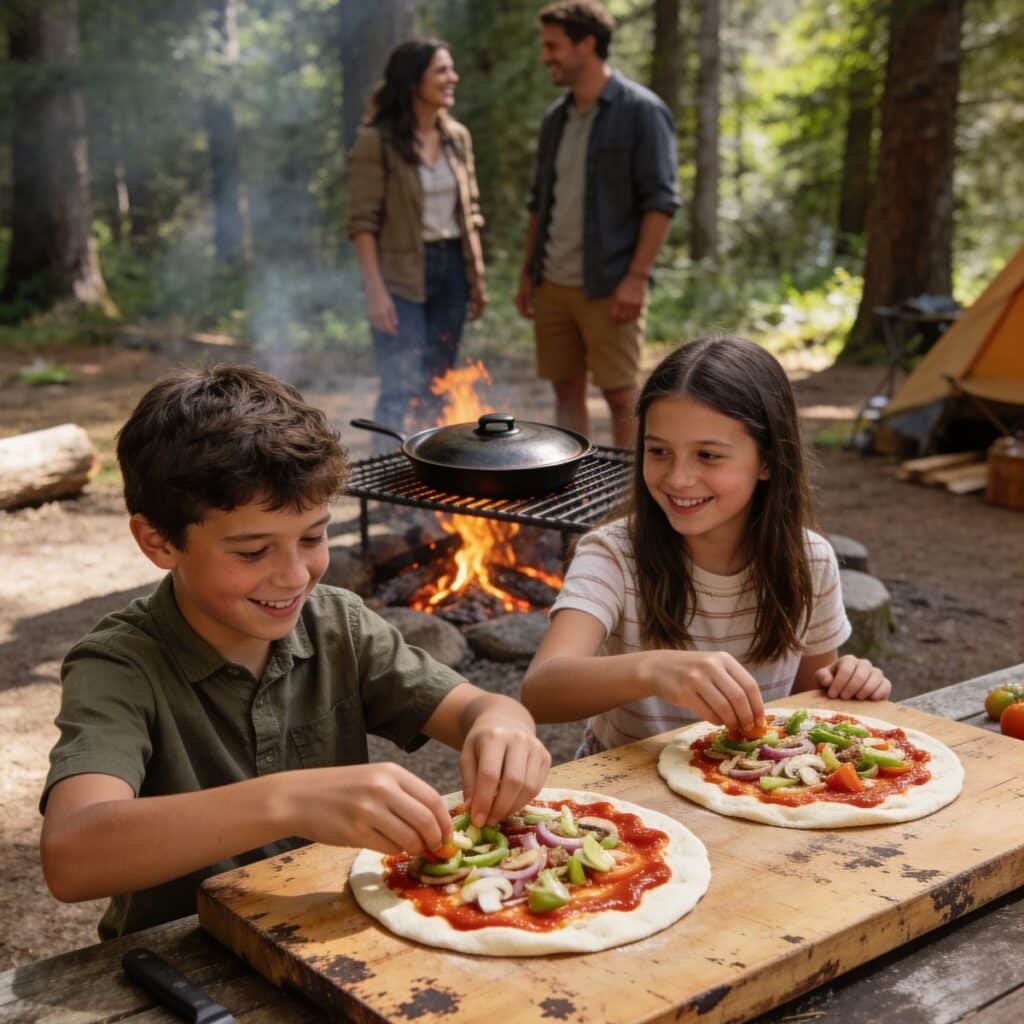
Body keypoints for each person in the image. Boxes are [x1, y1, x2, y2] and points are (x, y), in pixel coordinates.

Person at [39, 365, 550, 939]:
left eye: (312, 537)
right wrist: (285, 802)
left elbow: (480, 709)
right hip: (187, 957)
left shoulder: (337, 623)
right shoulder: (120, 665)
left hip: (337, 932)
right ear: (158, 541)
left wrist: (503, 727)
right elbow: (72, 854)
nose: (293, 575)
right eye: (254, 551)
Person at [521, 336, 891, 756]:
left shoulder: (810, 560)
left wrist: (847, 680)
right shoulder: (612, 554)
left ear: (768, 460)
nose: (678, 478)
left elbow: (810, 706)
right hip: (627, 790)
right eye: (659, 451)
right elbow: (540, 689)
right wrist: (652, 670)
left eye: (709, 456)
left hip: (751, 781)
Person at [515, 1, 679, 448]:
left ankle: (630, 507)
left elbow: (661, 202)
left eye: (553, 46)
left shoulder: (641, 111)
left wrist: (637, 278)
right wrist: (528, 274)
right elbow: (539, 203)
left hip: (610, 283)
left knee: (622, 395)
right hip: (552, 284)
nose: (545, 56)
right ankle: (574, 500)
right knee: (565, 390)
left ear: (587, 44)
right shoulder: (556, 119)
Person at [347, 38, 487, 439]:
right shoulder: (377, 142)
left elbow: (470, 215)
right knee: (399, 385)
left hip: (452, 273)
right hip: (401, 275)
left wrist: (476, 277)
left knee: (439, 382)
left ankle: (431, 490)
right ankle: (387, 494)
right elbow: (362, 224)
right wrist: (375, 292)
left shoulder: (457, 138)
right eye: (442, 70)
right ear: (413, 82)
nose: (452, 78)